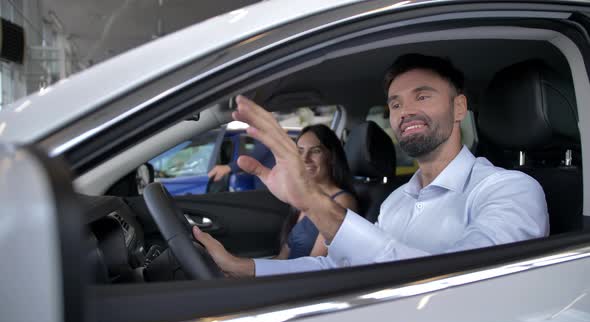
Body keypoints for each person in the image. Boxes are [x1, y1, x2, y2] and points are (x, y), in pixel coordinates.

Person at [193, 53, 549, 277]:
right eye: (395, 104)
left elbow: (456, 282)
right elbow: (338, 266)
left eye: (422, 96)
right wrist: (245, 267)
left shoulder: (509, 189)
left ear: (459, 108)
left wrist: (314, 203)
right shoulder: (396, 201)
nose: (405, 111)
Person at [275, 124, 357, 259]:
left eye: (315, 151)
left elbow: (315, 266)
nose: (305, 159)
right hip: (288, 274)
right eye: (300, 151)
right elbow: (282, 258)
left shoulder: (342, 202)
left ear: (331, 157)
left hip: (305, 278)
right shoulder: (302, 198)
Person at [208, 137, 275, 190]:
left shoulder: (263, 132)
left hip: (271, 181)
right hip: (265, 183)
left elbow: (261, 150)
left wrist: (229, 167)